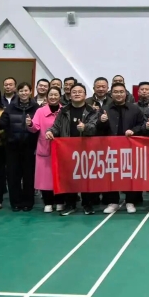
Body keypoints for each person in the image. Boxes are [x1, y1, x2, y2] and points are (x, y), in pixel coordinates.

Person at [46, 83, 101, 215]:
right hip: (67, 150)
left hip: (86, 150)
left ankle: (87, 204)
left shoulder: (92, 111)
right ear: (70, 95)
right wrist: (50, 131)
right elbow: (56, 127)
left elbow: (94, 127)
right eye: (74, 92)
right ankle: (70, 204)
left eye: (80, 92)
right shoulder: (63, 111)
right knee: (69, 178)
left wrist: (85, 128)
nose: (77, 94)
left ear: (85, 95)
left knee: (86, 178)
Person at [96, 83, 146, 214]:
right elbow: (98, 129)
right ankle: (113, 202)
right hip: (110, 148)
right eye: (116, 92)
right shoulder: (105, 109)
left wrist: (133, 131)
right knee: (111, 175)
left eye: (121, 92)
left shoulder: (134, 109)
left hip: (130, 148)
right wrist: (101, 121)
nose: (119, 94)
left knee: (130, 174)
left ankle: (130, 201)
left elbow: (142, 125)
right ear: (111, 94)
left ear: (126, 93)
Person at [0, 82, 40, 212]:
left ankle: (28, 202)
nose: (23, 93)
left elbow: (39, 127)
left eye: (26, 90)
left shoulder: (36, 108)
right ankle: (15, 202)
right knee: (13, 176)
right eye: (21, 91)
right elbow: (3, 124)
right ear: (18, 92)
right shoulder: (10, 107)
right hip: (12, 147)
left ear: (30, 92)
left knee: (28, 176)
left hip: (30, 147)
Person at [28, 86, 63, 213]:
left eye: (56, 95)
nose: (53, 97)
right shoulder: (40, 111)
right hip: (44, 148)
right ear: (47, 97)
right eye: (50, 95)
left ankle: (60, 201)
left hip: (61, 149)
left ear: (60, 96)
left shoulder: (64, 110)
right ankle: (48, 202)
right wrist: (30, 124)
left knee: (60, 177)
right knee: (45, 178)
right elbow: (35, 128)